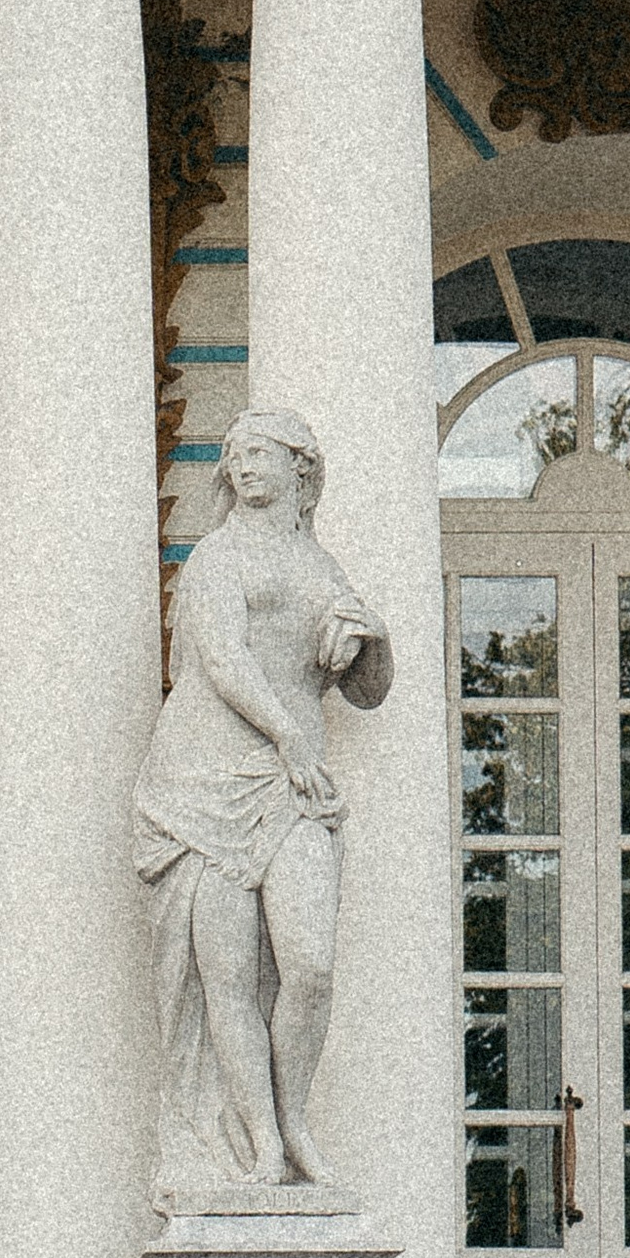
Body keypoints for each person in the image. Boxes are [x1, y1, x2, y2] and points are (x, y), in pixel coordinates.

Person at [134, 406, 390, 1208]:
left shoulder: (323, 568)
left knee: (309, 964)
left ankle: (295, 1117)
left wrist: (374, 640)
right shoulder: (218, 557)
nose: (243, 466)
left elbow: (368, 692)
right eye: (234, 454)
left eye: (259, 453)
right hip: (205, 782)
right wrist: (289, 736)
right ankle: (264, 1149)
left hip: (292, 784)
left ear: (300, 470)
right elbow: (223, 659)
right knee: (228, 981)